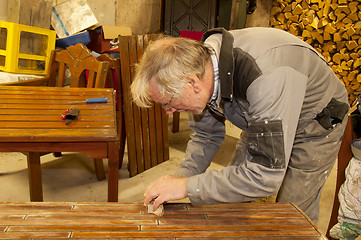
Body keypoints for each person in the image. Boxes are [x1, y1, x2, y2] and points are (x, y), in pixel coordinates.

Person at [130, 27, 349, 224]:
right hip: (263, 115)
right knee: (231, 200)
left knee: (290, 214)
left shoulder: (264, 77)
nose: (169, 111)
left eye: (168, 103)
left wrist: (187, 187)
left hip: (314, 123)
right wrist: (180, 178)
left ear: (191, 83)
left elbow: (264, 177)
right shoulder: (201, 68)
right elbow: (206, 137)